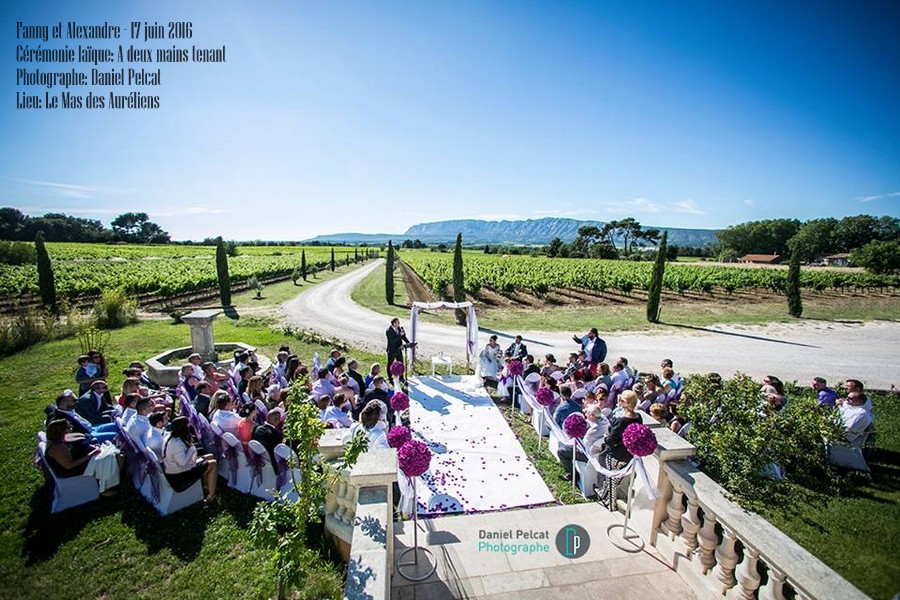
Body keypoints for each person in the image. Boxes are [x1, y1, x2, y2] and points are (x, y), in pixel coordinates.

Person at [44, 419, 121, 496]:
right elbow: (69, 465)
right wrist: (91, 454)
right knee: (114, 457)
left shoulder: (62, 438)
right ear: (60, 431)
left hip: (86, 456)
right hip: (76, 467)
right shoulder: (58, 447)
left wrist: (93, 447)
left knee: (117, 452)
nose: (71, 426)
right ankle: (108, 488)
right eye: (68, 426)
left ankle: (118, 479)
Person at [596, 390, 642, 511]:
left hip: (616, 455)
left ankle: (611, 504)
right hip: (629, 455)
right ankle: (602, 493)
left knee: (612, 479)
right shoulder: (638, 417)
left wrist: (607, 438)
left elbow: (610, 440)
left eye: (622, 401)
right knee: (615, 479)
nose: (620, 402)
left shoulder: (621, 421)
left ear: (627, 403)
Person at [162, 416, 217, 503]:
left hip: (178, 468)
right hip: (179, 475)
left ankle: (206, 486)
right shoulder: (177, 444)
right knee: (213, 463)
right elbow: (182, 463)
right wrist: (191, 449)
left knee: (210, 456)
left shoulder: (170, 436)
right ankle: (211, 496)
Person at [557, 404, 610, 481]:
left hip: (587, 454)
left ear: (592, 416)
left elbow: (583, 445)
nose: (585, 414)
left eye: (587, 413)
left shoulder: (593, 431)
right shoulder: (603, 418)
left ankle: (572, 475)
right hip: (598, 449)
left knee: (561, 451)